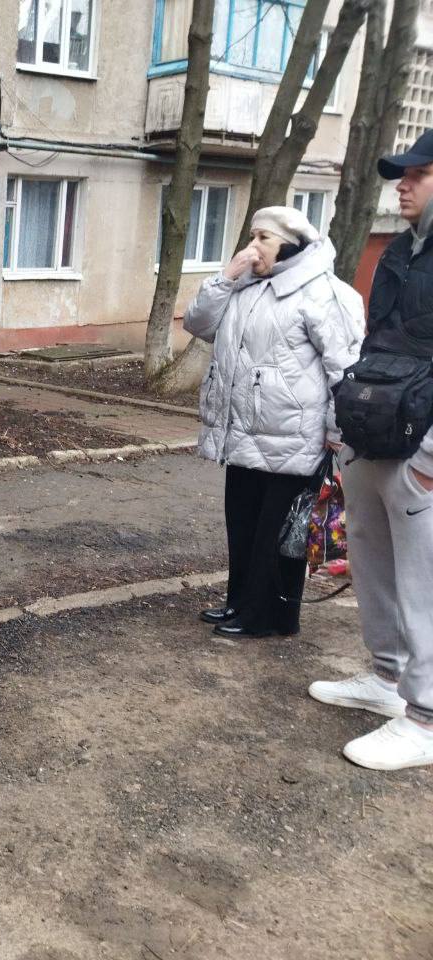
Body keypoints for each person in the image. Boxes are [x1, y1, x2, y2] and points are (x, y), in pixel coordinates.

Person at [309, 130, 433, 770]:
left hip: (423, 450)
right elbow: (376, 345)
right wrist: (346, 425)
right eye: (400, 175)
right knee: (373, 562)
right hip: (374, 436)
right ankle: (387, 680)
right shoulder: (399, 253)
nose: (402, 186)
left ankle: (426, 718)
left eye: (417, 174)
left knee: (424, 581)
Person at [183, 206, 363, 639]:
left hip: (294, 435)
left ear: (291, 245)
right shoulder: (245, 286)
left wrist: (337, 431)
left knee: (278, 533)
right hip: (243, 431)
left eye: (263, 238)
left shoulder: (323, 293)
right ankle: (241, 603)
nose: (253, 246)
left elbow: (346, 368)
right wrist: (225, 278)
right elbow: (198, 324)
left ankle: (270, 617)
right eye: (252, 236)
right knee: (243, 523)